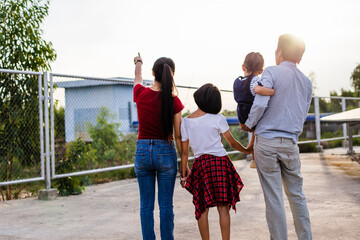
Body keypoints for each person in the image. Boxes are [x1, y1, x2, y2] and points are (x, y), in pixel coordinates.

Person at [241, 34, 313, 240]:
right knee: (297, 196)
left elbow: (261, 102)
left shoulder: (272, 71)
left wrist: (250, 124)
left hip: (266, 143)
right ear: (299, 57)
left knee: (274, 199)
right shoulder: (306, 82)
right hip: (290, 143)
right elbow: (302, 113)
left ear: (279, 53)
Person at [180, 83, 252, 240]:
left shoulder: (186, 122)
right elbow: (232, 143)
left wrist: (184, 173)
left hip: (201, 165)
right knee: (223, 208)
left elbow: (184, 152)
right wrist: (248, 150)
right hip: (220, 163)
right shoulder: (218, 118)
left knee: (202, 208)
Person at [133, 53, 184, 240]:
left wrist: (138, 62)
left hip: (143, 152)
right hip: (165, 152)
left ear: (153, 73)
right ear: (172, 76)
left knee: (146, 205)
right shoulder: (174, 101)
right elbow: (178, 136)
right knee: (166, 205)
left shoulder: (140, 93)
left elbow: (137, 77)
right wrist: (183, 164)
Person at [233, 52, 275, 168]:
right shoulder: (255, 80)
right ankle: (254, 158)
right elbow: (258, 90)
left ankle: (251, 153)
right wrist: (272, 92)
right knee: (256, 130)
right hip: (250, 115)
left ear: (243, 67)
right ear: (261, 71)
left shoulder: (237, 81)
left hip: (241, 115)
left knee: (253, 133)